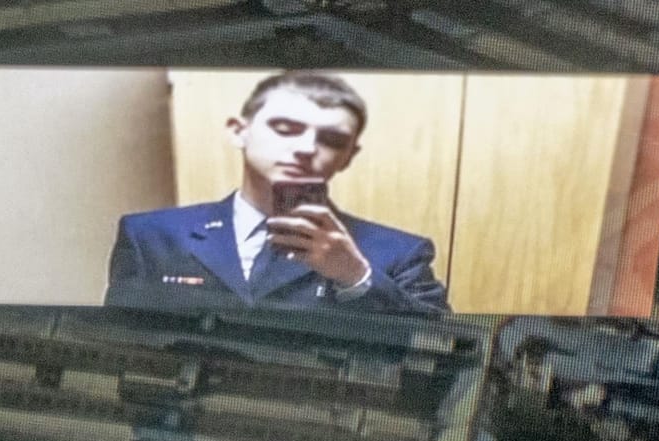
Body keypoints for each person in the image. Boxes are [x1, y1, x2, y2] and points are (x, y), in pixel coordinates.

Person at [104, 71, 448, 314]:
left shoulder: (399, 253)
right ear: (239, 131)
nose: (306, 148)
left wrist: (356, 278)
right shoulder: (150, 235)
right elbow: (117, 343)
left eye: (332, 140)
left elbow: (439, 353)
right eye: (285, 129)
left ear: (348, 156)